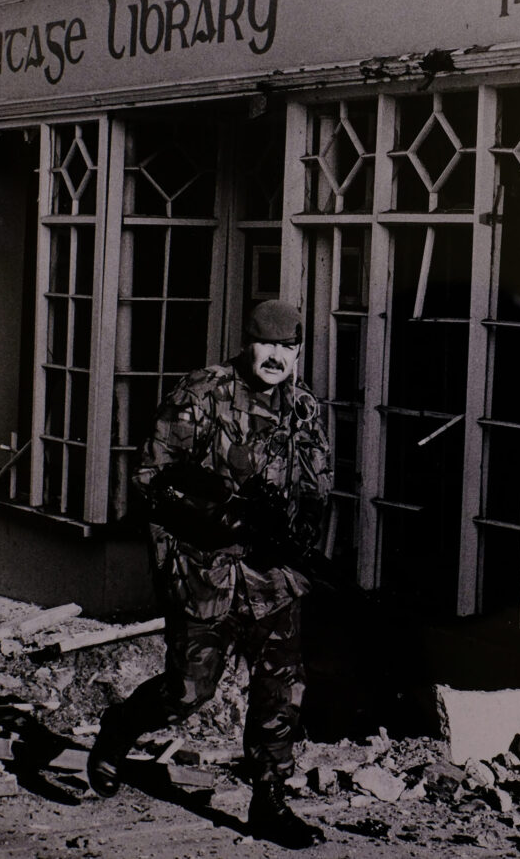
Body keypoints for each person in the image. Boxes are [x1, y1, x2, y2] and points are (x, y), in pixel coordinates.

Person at [86, 299, 333, 850]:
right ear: (247, 341)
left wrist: (296, 540)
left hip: (273, 573)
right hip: (204, 569)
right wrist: (222, 515)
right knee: (189, 689)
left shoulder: (305, 410)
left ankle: (269, 798)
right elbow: (152, 476)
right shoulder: (203, 392)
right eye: (266, 344)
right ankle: (120, 728)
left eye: (288, 347)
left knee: (281, 688)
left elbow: (318, 488)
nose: (276, 356)